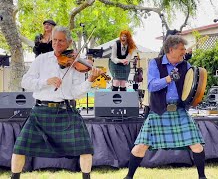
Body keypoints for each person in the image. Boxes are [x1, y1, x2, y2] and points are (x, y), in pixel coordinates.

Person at [10, 26, 103, 179]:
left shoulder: (75, 63)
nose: (57, 44)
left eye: (61, 41)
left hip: (65, 110)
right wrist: (46, 81)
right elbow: (26, 81)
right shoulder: (41, 59)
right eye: (54, 40)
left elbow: (75, 93)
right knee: (19, 148)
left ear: (69, 42)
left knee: (85, 147)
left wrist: (90, 82)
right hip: (40, 110)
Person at [124, 35, 206, 179]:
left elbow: (191, 86)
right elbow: (152, 85)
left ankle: (202, 177)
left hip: (179, 110)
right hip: (159, 111)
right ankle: (129, 177)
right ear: (171, 49)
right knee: (141, 146)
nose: (184, 52)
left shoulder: (185, 66)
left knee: (196, 144)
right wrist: (168, 78)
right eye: (181, 49)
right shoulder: (155, 63)